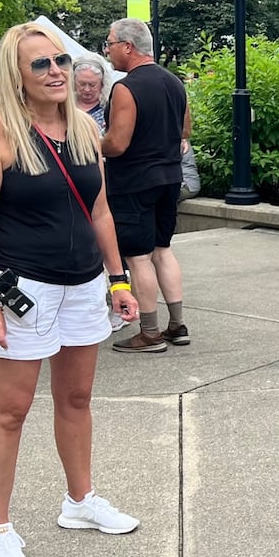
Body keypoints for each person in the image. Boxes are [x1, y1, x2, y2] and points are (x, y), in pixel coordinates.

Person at [0, 23, 141, 557]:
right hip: (24, 286)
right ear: (16, 75)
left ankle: (80, 502)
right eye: (40, 64)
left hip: (84, 284)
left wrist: (118, 280)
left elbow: (101, 212)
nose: (56, 71)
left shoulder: (86, 128)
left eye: (60, 59)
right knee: (11, 410)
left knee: (78, 398)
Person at [101, 19, 191, 353]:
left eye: (110, 43)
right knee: (163, 250)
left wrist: (91, 143)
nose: (108, 50)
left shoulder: (127, 87)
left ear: (128, 46)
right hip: (170, 176)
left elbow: (117, 143)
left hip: (134, 181)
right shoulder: (174, 82)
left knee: (139, 258)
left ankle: (150, 333)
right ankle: (177, 324)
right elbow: (186, 129)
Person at [72, 56, 109, 131]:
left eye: (92, 85)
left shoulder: (109, 110)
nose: (87, 89)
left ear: (102, 84)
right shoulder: (63, 106)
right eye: (82, 84)